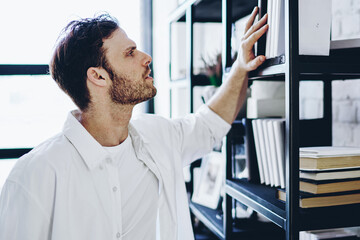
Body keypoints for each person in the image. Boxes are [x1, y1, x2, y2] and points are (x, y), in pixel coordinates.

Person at [0, 7, 268, 240]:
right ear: (98, 77)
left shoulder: (160, 136)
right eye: (130, 53)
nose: (146, 57)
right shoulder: (33, 176)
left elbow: (210, 123)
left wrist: (241, 67)